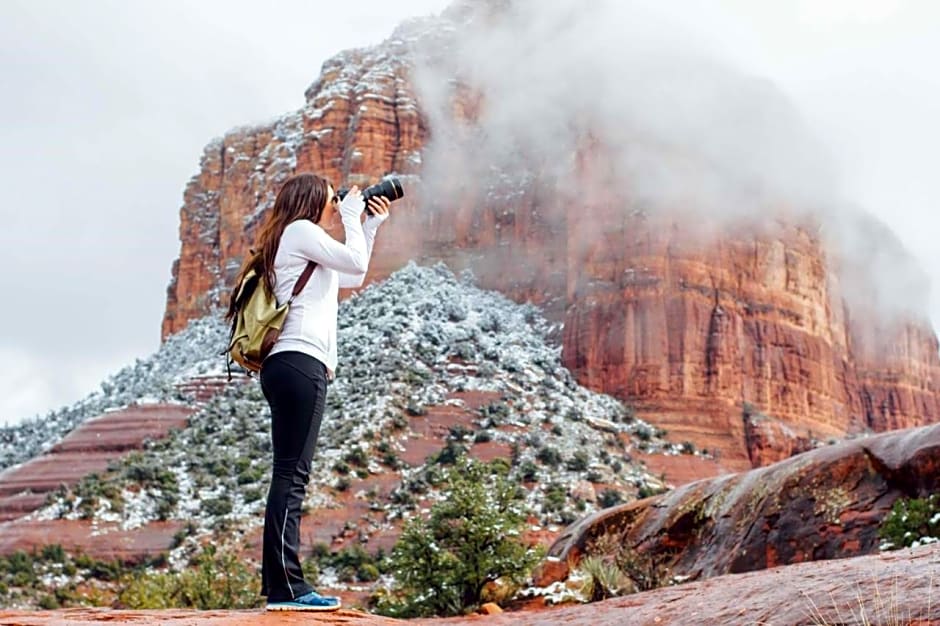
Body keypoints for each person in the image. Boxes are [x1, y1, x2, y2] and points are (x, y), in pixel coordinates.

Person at [227, 172, 390, 611]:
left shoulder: (296, 240)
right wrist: (353, 216)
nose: (335, 206)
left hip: (290, 365)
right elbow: (354, 264)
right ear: (312, 199)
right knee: (291, 476)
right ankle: (287, 589)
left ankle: (283, 586)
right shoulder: (300, 231)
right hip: (299, 362)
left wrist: (367, 226)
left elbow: (352, 277)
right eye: (331, 199)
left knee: (288, 475)